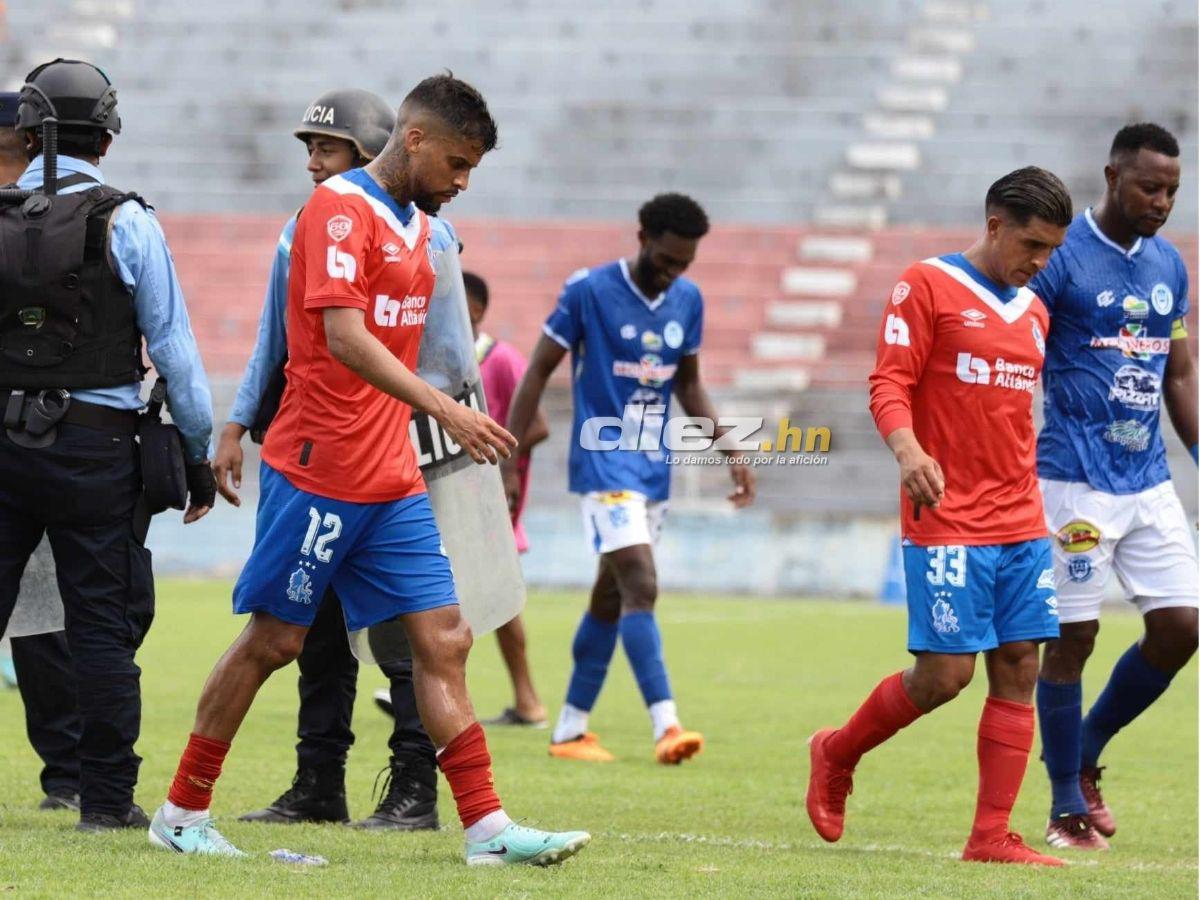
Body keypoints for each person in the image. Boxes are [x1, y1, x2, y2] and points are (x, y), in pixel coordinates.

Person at [149, 74, 589, 866]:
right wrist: (448, 410)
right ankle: (182, 810)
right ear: (414, 140)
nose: (462, 182)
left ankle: (487, 830)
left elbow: (427, 349)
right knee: (275, 642)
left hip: (391, 477)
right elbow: (345, 338)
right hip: (319, 469)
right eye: (458, 164)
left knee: (445, 639)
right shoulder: (334, 211)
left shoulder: (423, 231)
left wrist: (441, 425)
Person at [805, 167, 1072, 866]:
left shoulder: (1035, 312)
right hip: (947, 514)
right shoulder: (926, 285)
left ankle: (990, 836)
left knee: (1020, 664)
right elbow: (888, 381)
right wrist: (908, 450)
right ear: (995, 226)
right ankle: (836, 751)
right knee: (945, 677)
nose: (1041, 263)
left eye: (1052, 251)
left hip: (1019, 515)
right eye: (1034, 245)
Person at [212, 88, 442, 831]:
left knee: (410, 634)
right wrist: (240, 421)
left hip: (400, 450)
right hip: (318, 453)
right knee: (307, 632)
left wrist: (446, 437)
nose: (314, 162)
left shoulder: (427, 234)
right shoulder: (305, 228)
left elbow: (445, 355)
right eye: (309, 148)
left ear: (375, 151)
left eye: (329, 148)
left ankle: (414, 790)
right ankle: (319, 784)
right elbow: (273, 342)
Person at [0, 59, 215, 832]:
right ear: (109, 137)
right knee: (100, 626)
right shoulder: (126, 221)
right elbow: (177, 355)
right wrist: (196, 454)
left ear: (26, 135)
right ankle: (103, 801)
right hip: (95, 450)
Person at [502, 193, 756, 765]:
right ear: (641, 237)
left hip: (652, 469)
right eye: (666, 259)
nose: (673, 273)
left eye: (684, 264)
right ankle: (666, 725)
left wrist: (729, 449)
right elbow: (538, 371)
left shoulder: (687, 300)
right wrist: (509, 461)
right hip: (603, 462)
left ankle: (569, 730)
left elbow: (688, 386)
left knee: (611, 596)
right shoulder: (588, 291)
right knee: (641, 582)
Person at [1032, 123, 1198, 850]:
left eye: (1172, 190)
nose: (1161, 201)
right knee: (1075, 638)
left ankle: (1087, 749)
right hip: (1074, 482)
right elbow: (1017, 351)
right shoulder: (1060, 258)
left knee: (1182, 629)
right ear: (1112, 175)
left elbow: (1180, 374)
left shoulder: (1170, 266)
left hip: (1147, 480)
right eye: (1149, 187)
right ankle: (1065, 801)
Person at [0, 89, 84, 814]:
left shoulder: (47, 219)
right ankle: (70, 771)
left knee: (42, 613)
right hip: (43, 435)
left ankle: (69, 770)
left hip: (32, 434)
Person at [467, 271, 550, 726]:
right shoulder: (446, 359)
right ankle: (525, 701)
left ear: (476, 309)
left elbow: (536, 424)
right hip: (456, 495)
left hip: (492, 495)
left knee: (496, 597)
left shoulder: (500, 360)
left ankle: (528, 701)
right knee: (476, 597)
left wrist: (504, 467)